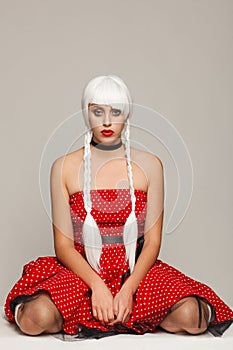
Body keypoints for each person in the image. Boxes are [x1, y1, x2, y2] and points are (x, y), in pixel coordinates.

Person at [4, 74, 233, 340]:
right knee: (35, 320)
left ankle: (132, 311)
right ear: (86, 113)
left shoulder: (151, 166)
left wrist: (128, 290)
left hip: (134, 272)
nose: (107, 121)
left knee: (193, 318)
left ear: (128, 114)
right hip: (82, 274)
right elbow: (64, 246)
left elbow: (152, 242)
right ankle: (111, 313)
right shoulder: (63, 167)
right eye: (97, 111)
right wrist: (98, 287)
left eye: (116, 111)